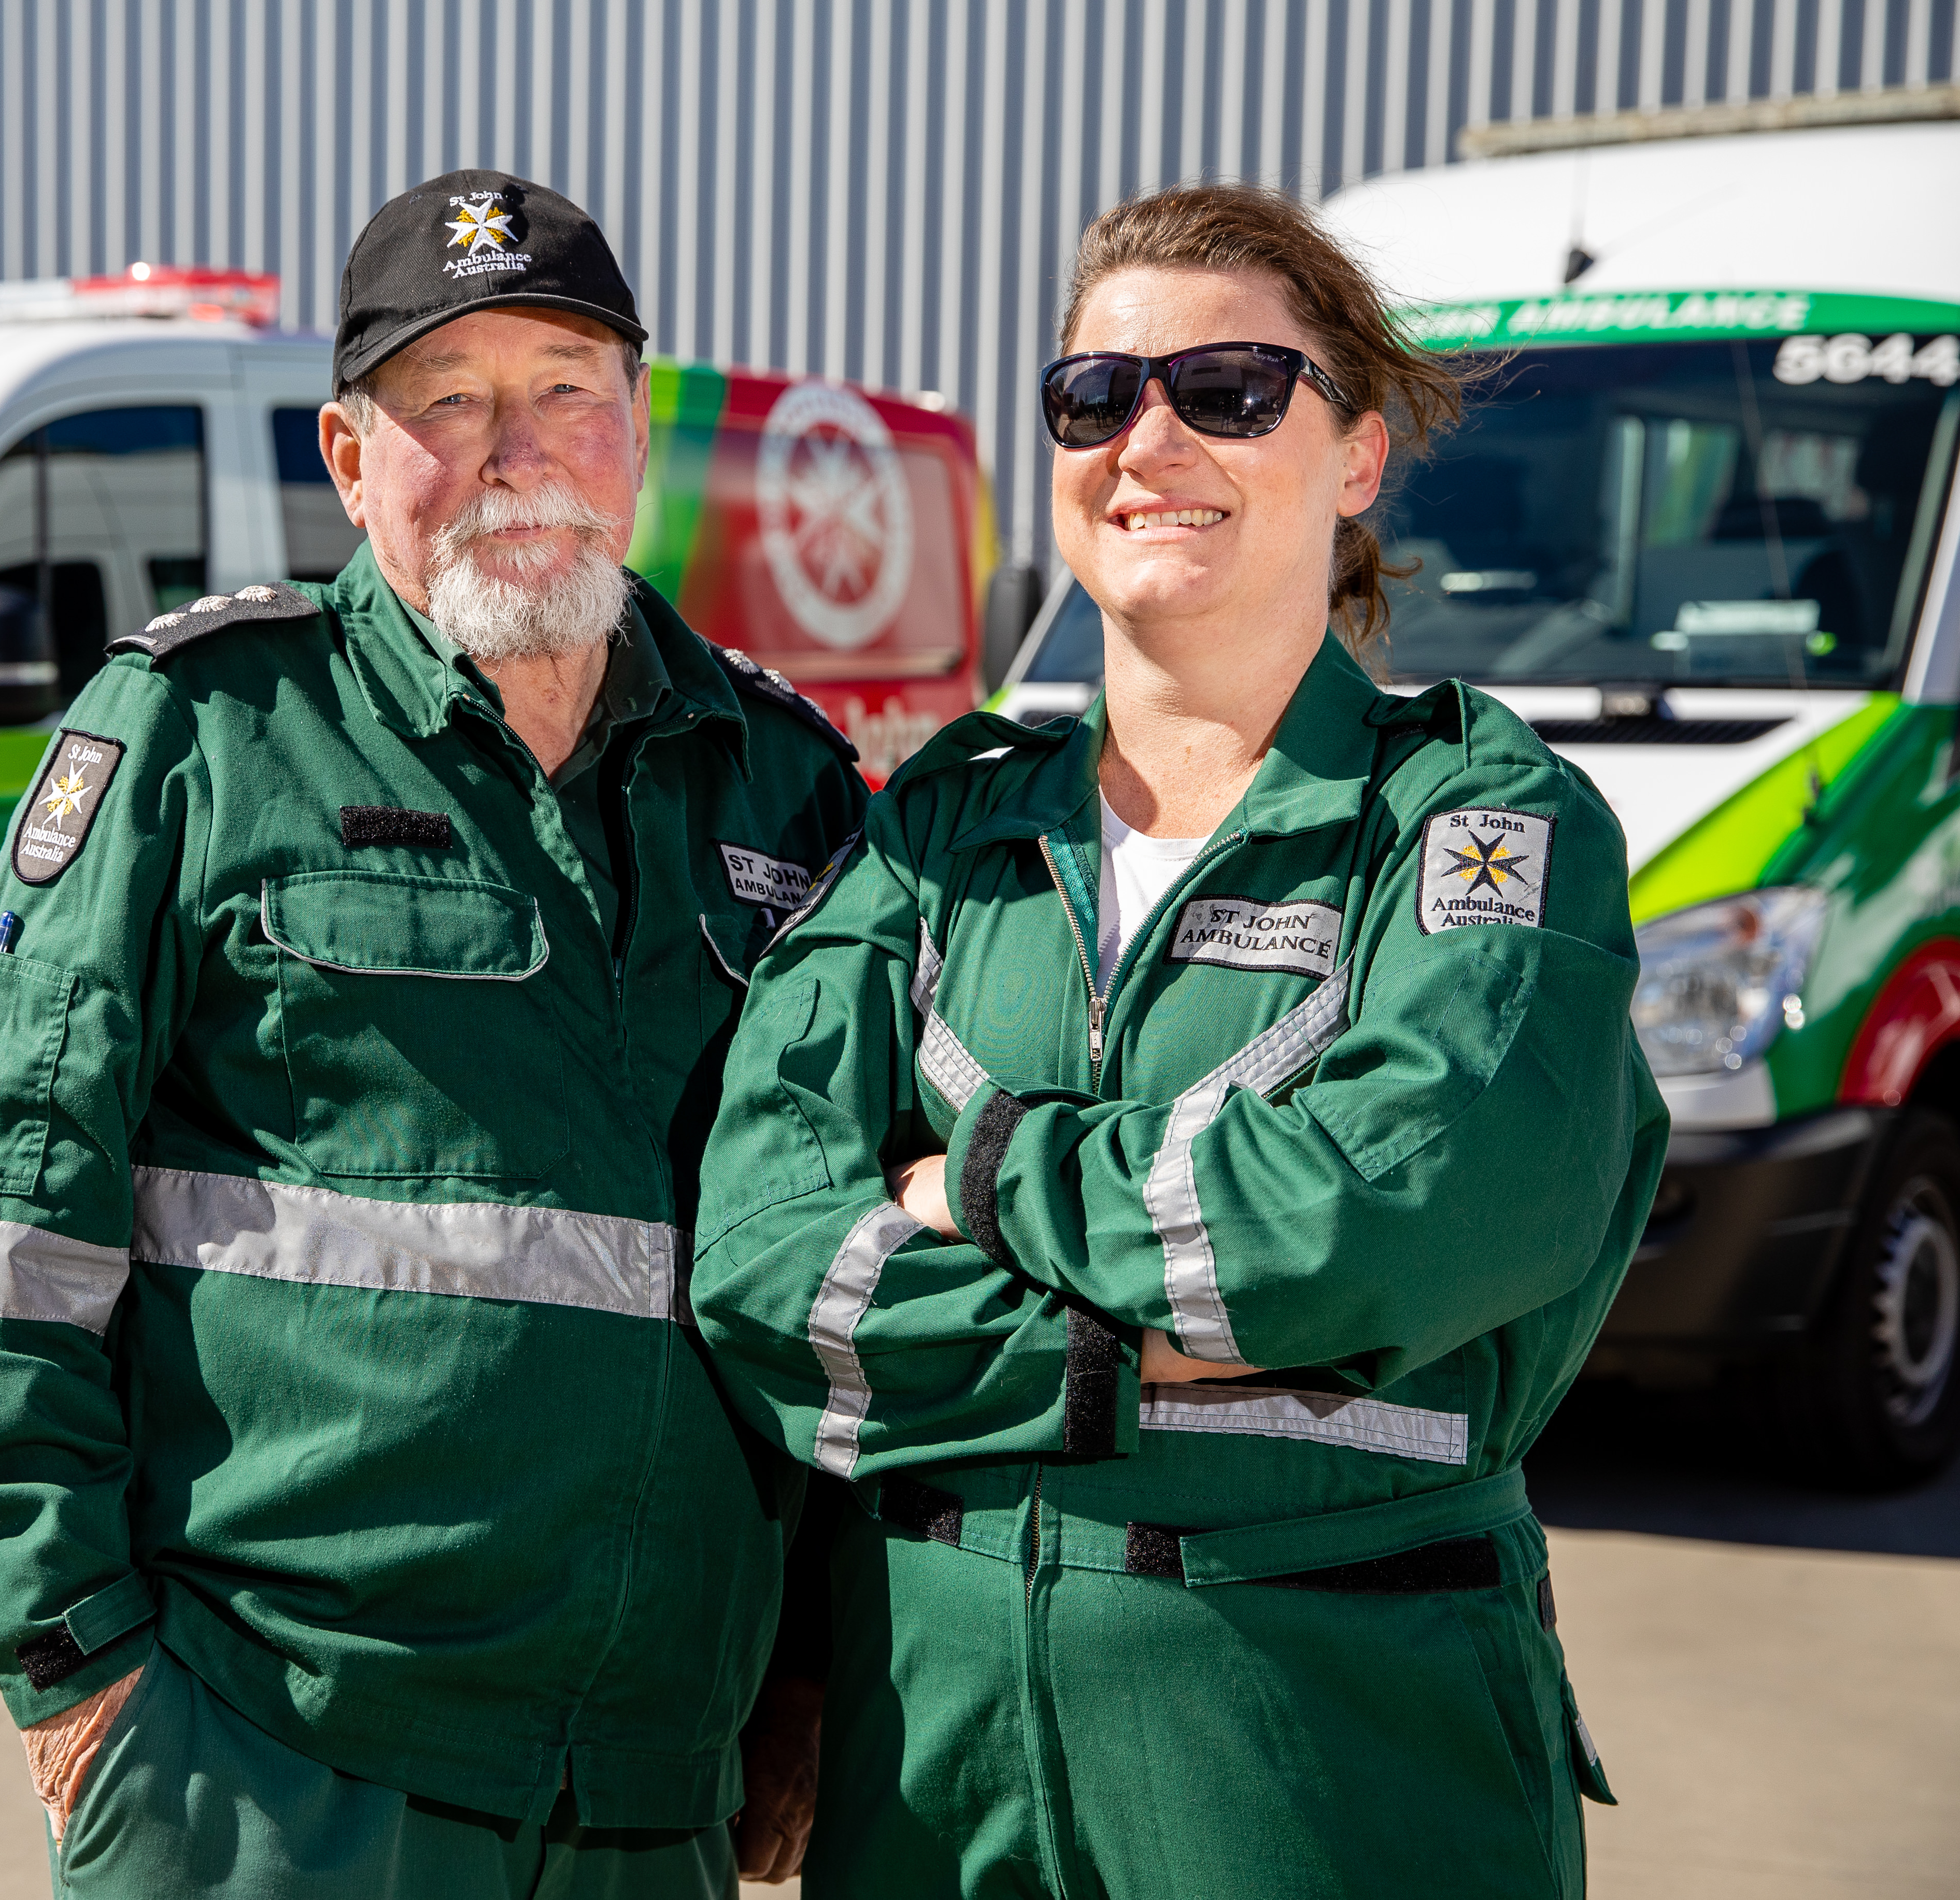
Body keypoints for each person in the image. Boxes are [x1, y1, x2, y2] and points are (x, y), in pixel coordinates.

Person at [0, 168, 869, 1898]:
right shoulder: (201, 732)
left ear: (637, 433)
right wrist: (75, 1671)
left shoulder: (779, 777)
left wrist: (808, 1678)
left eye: (565, 389)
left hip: (651, 1791)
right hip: (278, 1773)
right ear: (349, 459)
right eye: (448, 401)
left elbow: (840, 1266)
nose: (515, 447)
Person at [689, 183, 1670, 1899]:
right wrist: (1113, 1363)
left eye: (1227, 389)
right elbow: (760, 1263)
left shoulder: (1469, 822)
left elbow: (1395, 1215)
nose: (1147, 438)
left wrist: (979, 1172)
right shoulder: (934, 835)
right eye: (1095, 394)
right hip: (937, 1772)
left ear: (1356, 454)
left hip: (1321, 1760)